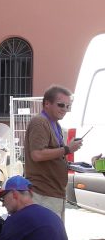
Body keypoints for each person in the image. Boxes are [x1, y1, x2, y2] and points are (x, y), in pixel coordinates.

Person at [23, 85, 83, 221]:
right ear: (47, 104)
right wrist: (67, 149)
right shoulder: (40, 122)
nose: (65, 110)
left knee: (53, 239)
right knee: (46, 239)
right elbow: (37, 155)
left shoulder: (55, 124)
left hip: (54, 193)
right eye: (61, 105)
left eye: (68, 107)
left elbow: (54, 155)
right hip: (43, 194)